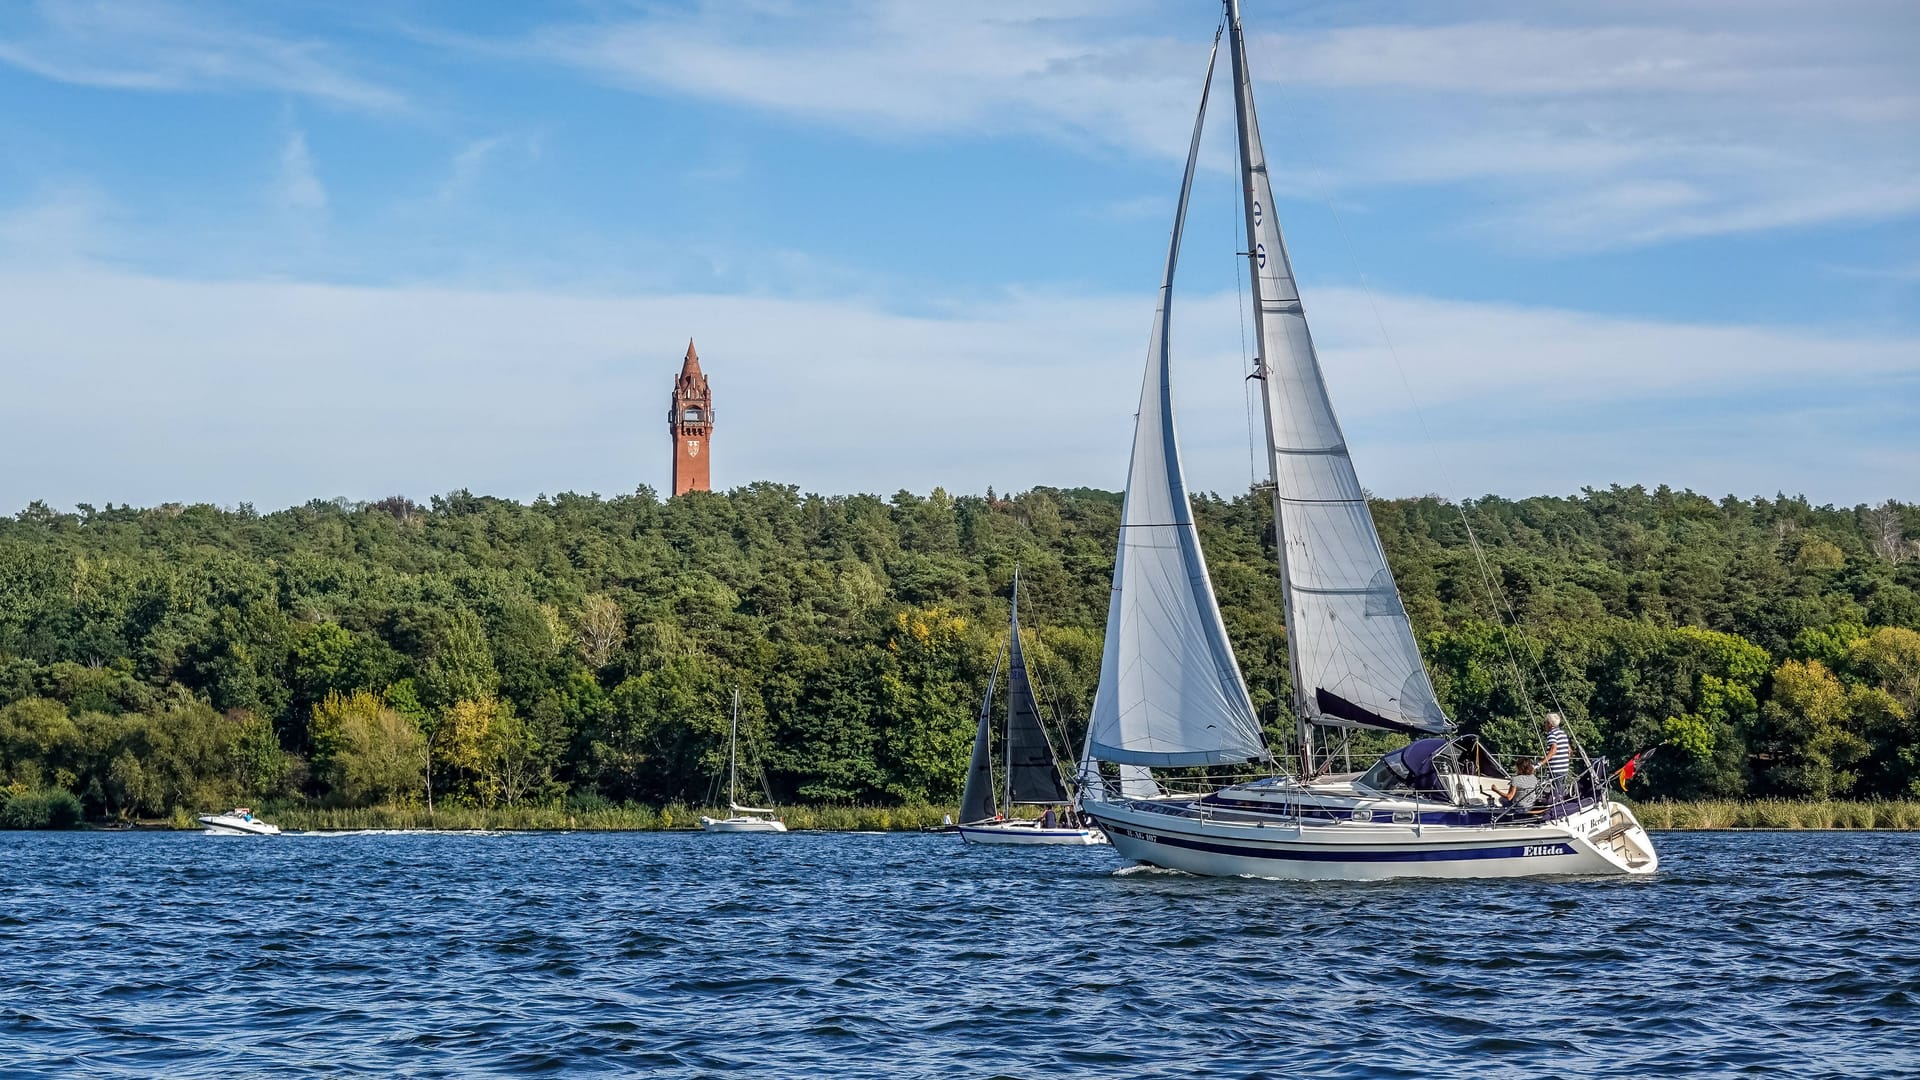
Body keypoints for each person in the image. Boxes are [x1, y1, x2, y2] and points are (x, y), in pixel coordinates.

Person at [1538, 712, 1571, 797]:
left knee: (1557, 791)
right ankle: (1561, 803)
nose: (1544, 724)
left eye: (1546, 722)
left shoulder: (1551, 734)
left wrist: (1541, 763)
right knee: (1561, 789)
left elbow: (1553, 750)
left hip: (1556, 769)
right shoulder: (1563, 733)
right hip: (1564, 768)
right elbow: (1569, 750)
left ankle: (1558, 806)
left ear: (1550, 724)